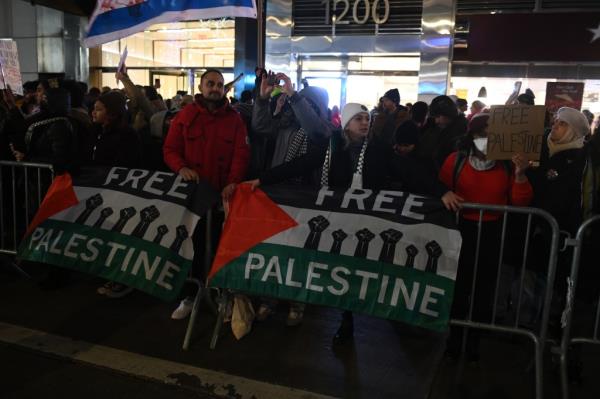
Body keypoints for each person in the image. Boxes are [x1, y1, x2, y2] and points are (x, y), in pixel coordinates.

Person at [247, 102, 463, 339]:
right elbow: (299, 165)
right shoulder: (331, 147)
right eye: (358, 118)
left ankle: (363, 316)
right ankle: (346, 320)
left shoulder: (378, 149)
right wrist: (262, 180)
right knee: (341, 270)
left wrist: (440, 191)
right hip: (338, 222)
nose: (365, 122)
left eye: (366, 118)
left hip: (367, 224)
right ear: (347, 124)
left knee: (359, 269)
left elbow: (408, 171)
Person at [439, 112, 533, 361]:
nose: (487, 140)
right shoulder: (455, 160)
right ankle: (454, 338)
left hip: (493, 234)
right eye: (482, 135)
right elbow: (440, 188)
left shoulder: (507, 165)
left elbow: (520, 201)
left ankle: (474, 342)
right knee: (459, 288)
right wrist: (444, 193)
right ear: (472, 136)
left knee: (484, 290)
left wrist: (521, 174)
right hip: (461, 232)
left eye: (493, 135)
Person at [164, 68, 250, 319]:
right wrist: (181, 168)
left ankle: (222, 295)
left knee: (222, 249)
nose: (215, 88)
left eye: (220, 84)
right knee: (192, 247)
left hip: (223, 198)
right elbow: (170, 149)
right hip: (193, 199)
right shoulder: (185, 116)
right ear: (201, 87)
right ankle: (190, 296)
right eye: (210, 83)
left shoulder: (234, 120)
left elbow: (240, 155)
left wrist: (233, 182)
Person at [252, 71, 332, 169]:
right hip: (278, 181)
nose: (304, 108)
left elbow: (314, 129)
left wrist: (293, 95)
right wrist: (262, 99)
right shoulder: (287, 125)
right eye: (303, 102)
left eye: (309, 105)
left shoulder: (326, 129)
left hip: (309, 183)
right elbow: (260, 126)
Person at [414, 95, 468, 173]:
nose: (436, 121)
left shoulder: (459, 129)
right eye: (435, 117)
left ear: (448, 113)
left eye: (438, 117)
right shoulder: (442, 126)